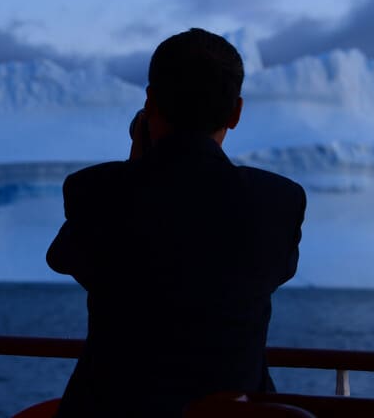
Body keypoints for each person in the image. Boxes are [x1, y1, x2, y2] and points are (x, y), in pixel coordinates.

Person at [46, 28, 305, 417]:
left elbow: (65, 257)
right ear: (236, 112)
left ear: (149, 102)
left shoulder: (95, 191)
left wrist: (136, 164)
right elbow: (276, 270)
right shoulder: (277, 202)